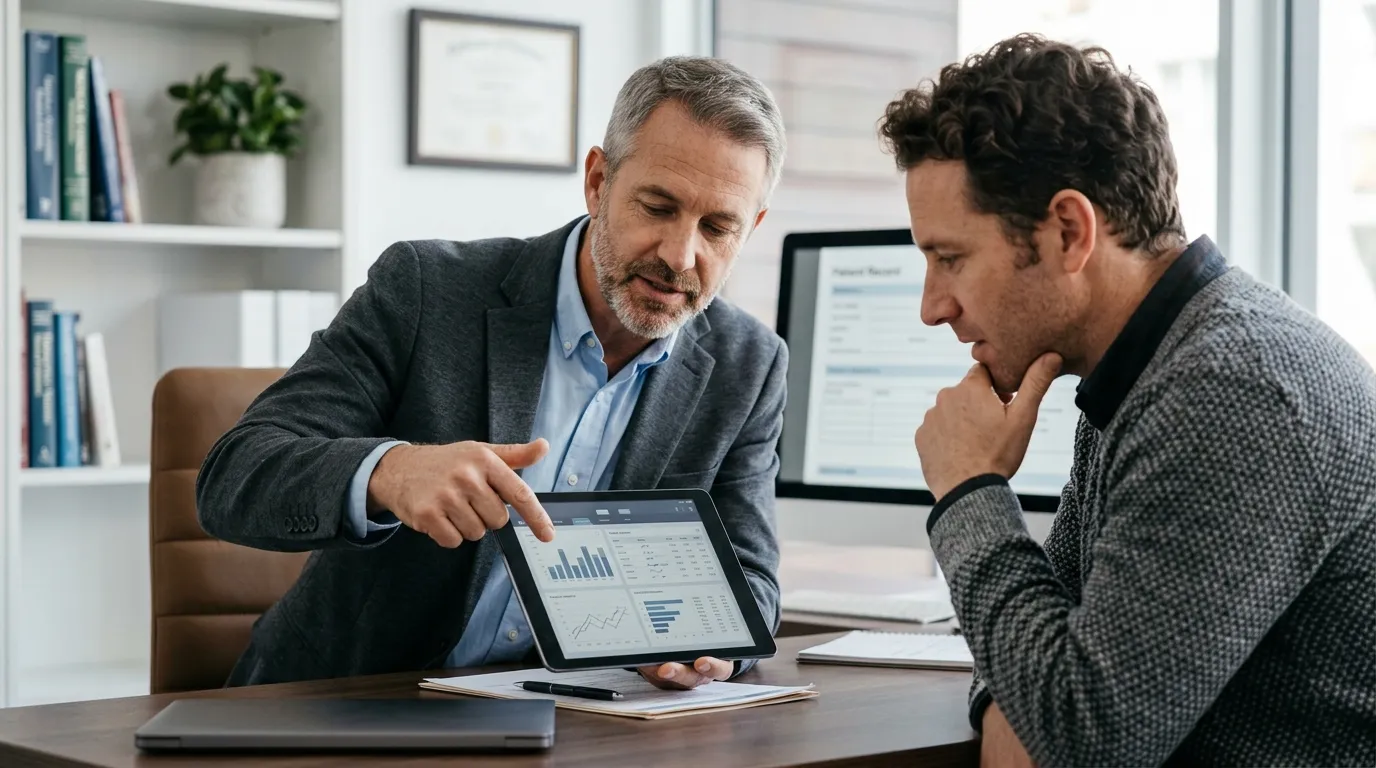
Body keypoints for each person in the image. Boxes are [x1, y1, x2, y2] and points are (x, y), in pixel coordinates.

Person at [195, 55, 788, 692]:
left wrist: (712, 643)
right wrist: (390, 472)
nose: (680, 254)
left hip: (570, 721)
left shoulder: (748, 364)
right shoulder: (426, 290)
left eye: (717, 227)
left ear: (749, 228)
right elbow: (235, 477)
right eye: (657, 207)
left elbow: (750, 579)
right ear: (597, 182)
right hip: (347, 701)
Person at [878, 33, 1376, 767]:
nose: (932, 307)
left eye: (950, 258)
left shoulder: (1231, 391)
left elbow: (1084, 739)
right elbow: (1040, 647)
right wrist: (1022, 705)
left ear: (1070, 232)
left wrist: (968, 489)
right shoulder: (1143, 367)